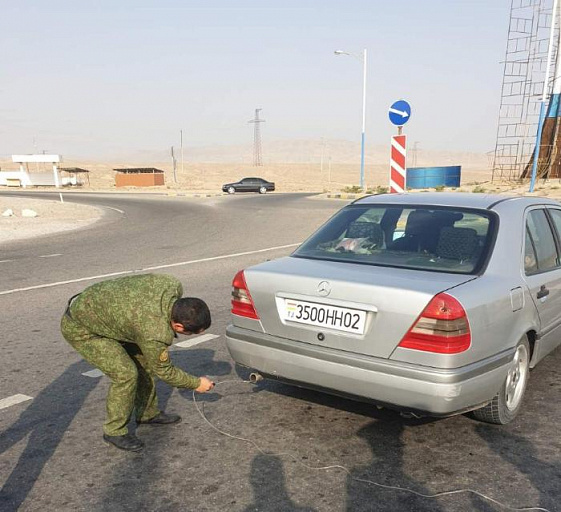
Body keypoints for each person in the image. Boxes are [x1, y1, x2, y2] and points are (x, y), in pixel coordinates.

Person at [61, 273, 215, 452]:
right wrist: (196, 383)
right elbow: (165, 371)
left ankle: (147, 413)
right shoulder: (154, 332)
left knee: (145, 362)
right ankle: (114, 431)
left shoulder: (171, 285)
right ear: (179, 326)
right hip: (82, 327)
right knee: (125, 374)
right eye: (192, 333)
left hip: (102, 308)